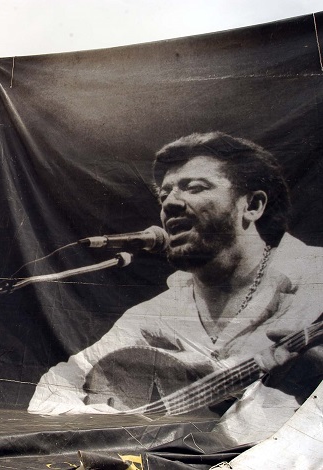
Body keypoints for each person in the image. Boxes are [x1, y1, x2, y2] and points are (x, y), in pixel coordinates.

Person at [28, 132, 323, 446]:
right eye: (164, 194)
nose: (170, 203)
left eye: (195, 188)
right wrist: (113, 423)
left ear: (252, 205)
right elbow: (55, 387)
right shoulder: (155, 314)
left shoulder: (313, 281)